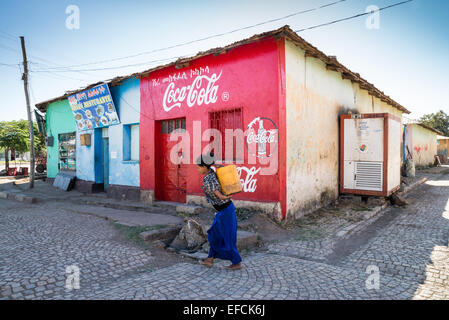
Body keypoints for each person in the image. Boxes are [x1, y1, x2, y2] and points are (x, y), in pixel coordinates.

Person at [196, 153, 242, 270]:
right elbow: (220, 168)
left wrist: (228, 196)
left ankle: (236, 262)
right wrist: (213, 163)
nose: (198, 169)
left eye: (199, 166)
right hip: (224, 211)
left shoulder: (208, 179)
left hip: (225, 211)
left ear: (205, 167)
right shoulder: (212, 172)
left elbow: (220, 196)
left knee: (226, 237)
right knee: (215, 235)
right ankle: (210, 259)